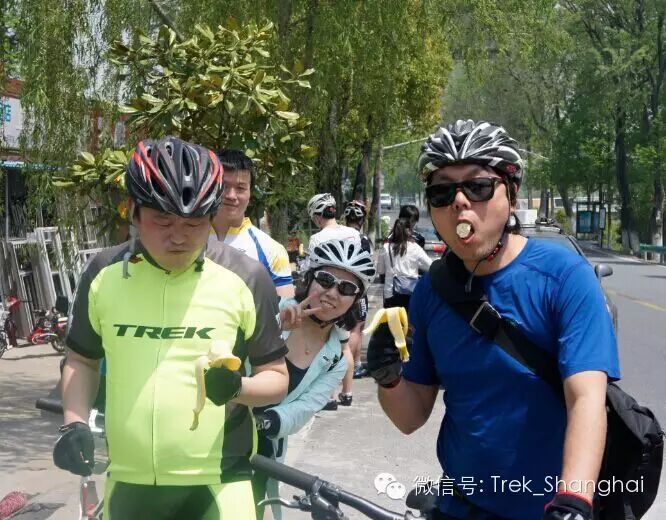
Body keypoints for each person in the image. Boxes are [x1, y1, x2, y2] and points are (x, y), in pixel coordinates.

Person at [366, 120, 619, 520]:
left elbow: (587, 398)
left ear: (511, 195)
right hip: (459, 506)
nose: (459, 202)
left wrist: (574, 500)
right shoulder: (431, 291)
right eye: (442, 191)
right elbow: (410, 418)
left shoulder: (565, 277)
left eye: (478, 186)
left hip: (550, 510)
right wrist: (388, 378)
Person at [53, 137, 289, 520]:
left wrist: (238, 389)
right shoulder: (102, 274)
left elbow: (277, 378)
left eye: (194, 224)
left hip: (220, 483)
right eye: (162, 221)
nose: (178, 236)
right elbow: (82, 360)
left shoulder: (247, 277)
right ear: (134, 213)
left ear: (211, 217)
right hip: (128, 484)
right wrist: (73, 421)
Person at [251, 237, 376, 520]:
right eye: (326, 280)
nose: (332, 293)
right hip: (220, 426)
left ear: (356, 300)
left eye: (346, 288)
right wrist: (274, 326)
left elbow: (307, 406)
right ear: (309, 279)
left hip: (265, 447)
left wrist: (266, 422)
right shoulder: (270, 309)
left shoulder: (335, 359)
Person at [210, 149, 294, 298]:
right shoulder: (186, 239)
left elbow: (284, 305)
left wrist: (290, 308)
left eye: (240, 188)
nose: (231, 195)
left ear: (250, 194)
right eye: (224, 186)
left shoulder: (272, 250)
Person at [305, 193, 361, 409]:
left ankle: (329, 396)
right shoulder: (353, 233)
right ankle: (347, 393)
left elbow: (311, 270)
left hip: (327, 298)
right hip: (349, 296)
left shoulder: (317, 239)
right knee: (344, 346)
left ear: (317, 216)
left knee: (325, 343)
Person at [343, 200, 372, 380]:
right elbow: (367, 267)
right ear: (362, 220)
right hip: (358, 289)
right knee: (356, 327)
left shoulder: (337, 235)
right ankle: (345, 368)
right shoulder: (362, 240)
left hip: (339, 287)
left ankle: (357, 363)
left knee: (353, 327)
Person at [377, 217, 432, 310]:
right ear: (409, 231)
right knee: (410, 319)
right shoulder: (415, 247)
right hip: (412, 293)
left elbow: (380, 270)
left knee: (392, 319)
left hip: (390, 294)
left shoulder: (386, 247)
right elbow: (430, 266)